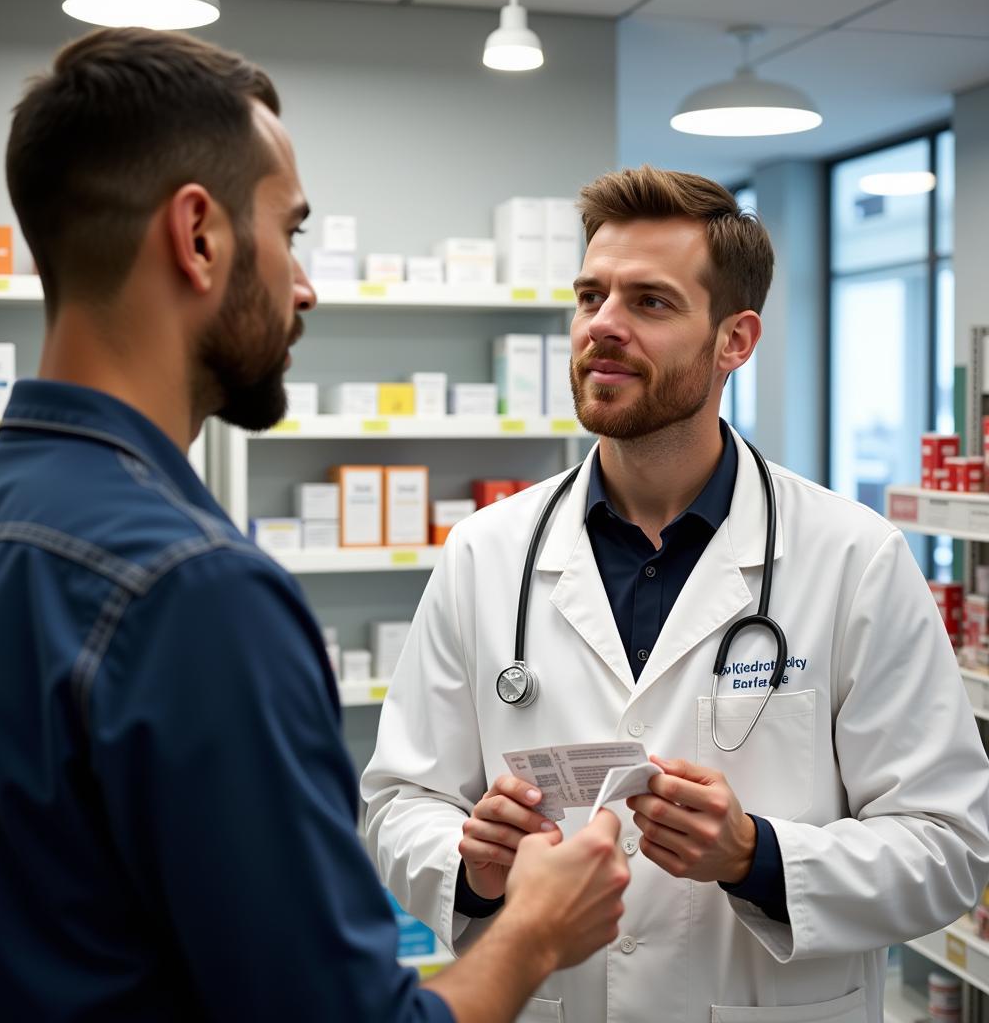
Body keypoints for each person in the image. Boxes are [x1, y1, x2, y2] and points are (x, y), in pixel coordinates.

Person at [0, 28, 632, 1022]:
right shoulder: (192, 591)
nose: (306, 285)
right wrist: (535, 930)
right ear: (198, 238)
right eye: (292, 233)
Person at [362, 165, 989, 1023]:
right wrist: (471, 862)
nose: (602, 327)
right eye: (591, 296)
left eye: (650, 303)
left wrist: (755, 857)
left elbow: (950, 848)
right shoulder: (485, 553)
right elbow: (399, 802)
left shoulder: (855, 559)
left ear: (735, 341)